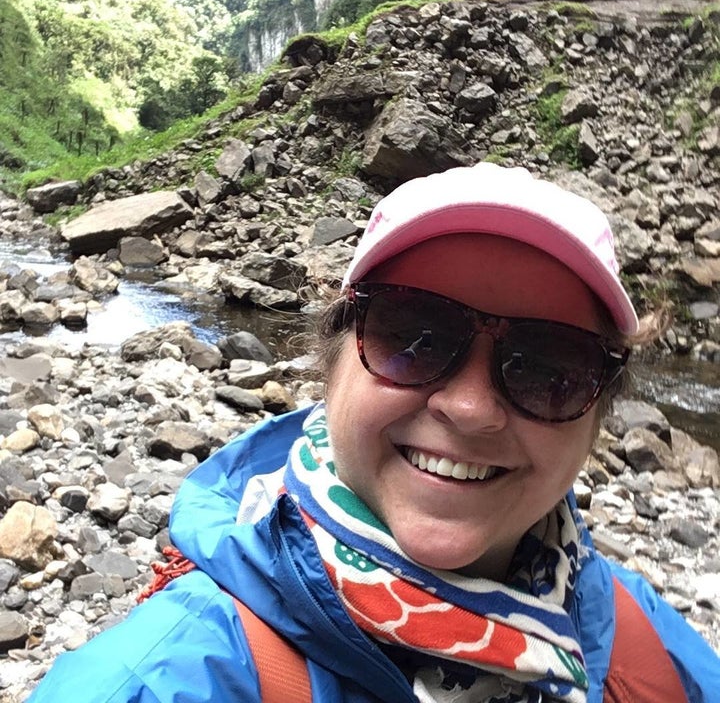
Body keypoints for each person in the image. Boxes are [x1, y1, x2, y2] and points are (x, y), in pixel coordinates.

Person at [28, 163, 719, 702]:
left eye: (549, 367)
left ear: (599, 413)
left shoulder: (630, 630)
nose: (470, 408)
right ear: (333, 362)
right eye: (414, 335)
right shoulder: (167, 677)